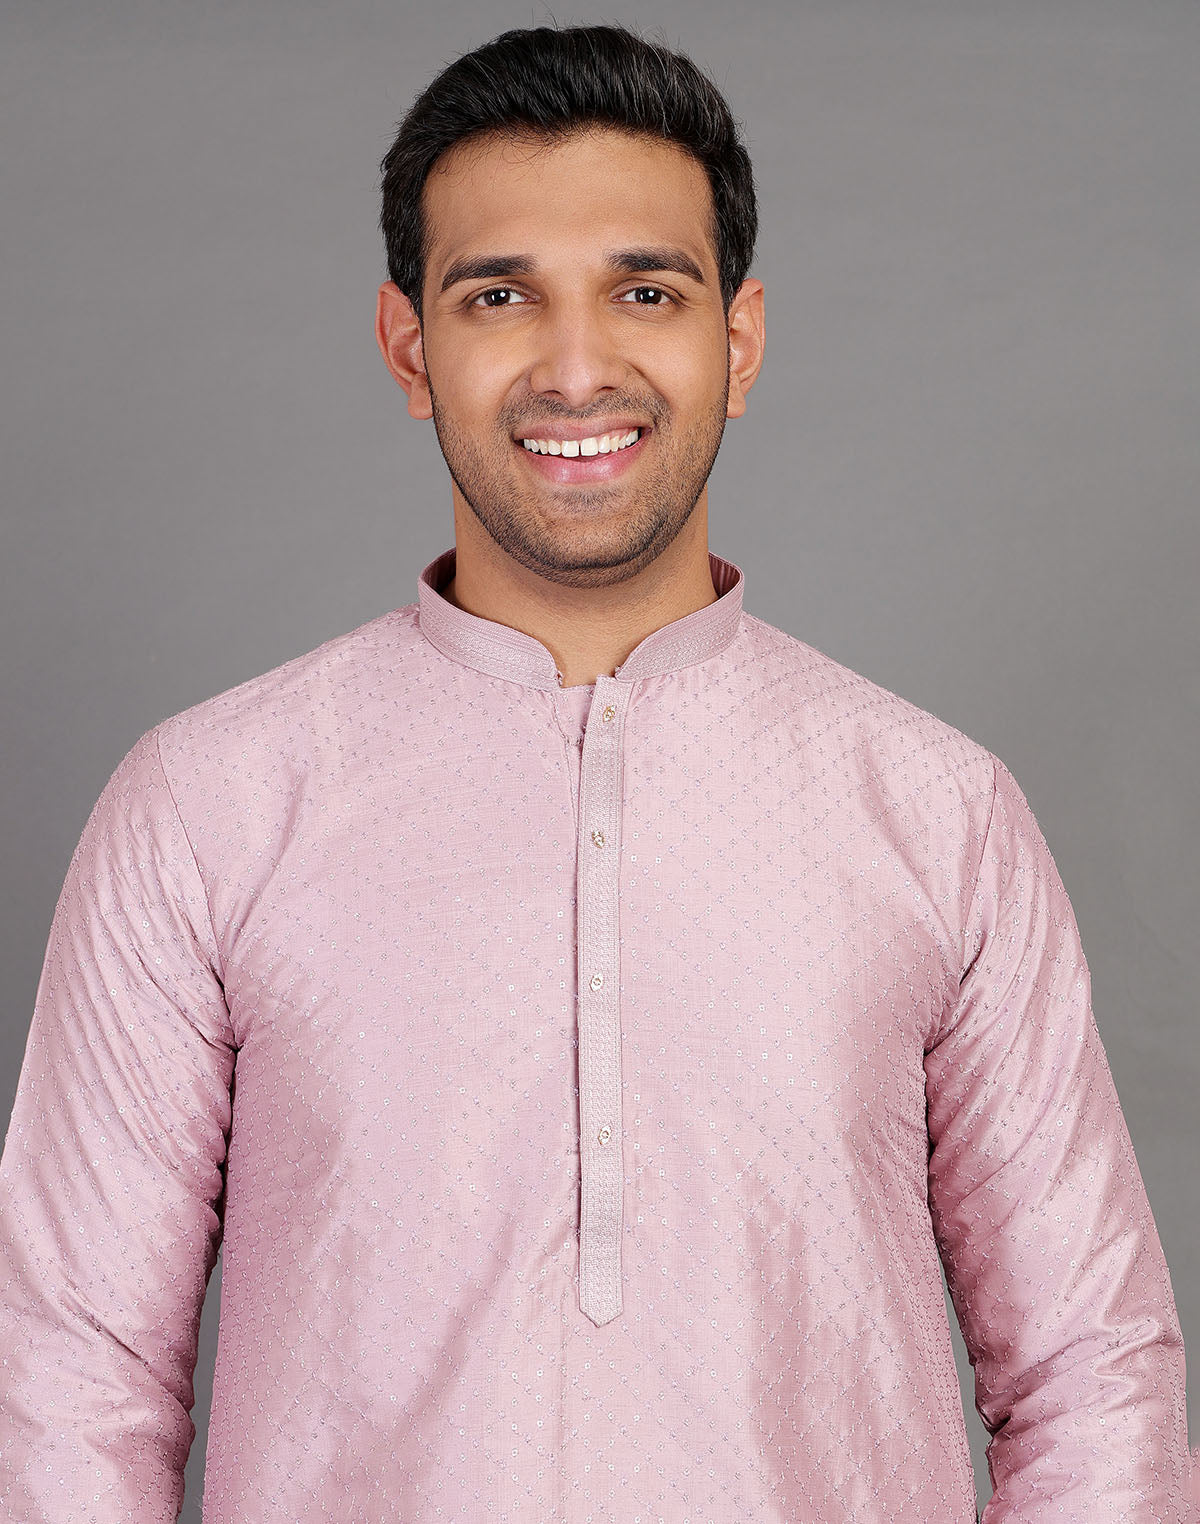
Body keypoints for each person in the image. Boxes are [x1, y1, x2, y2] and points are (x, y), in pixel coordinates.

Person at [0, 21, 1194, 1524]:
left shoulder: (941, 815)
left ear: (738, 344)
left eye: (646, 292)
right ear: (410, 347)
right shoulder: (206, 809)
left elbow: (1095, 1383)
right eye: (500, 296)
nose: (577, 369)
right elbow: (68, 1386)